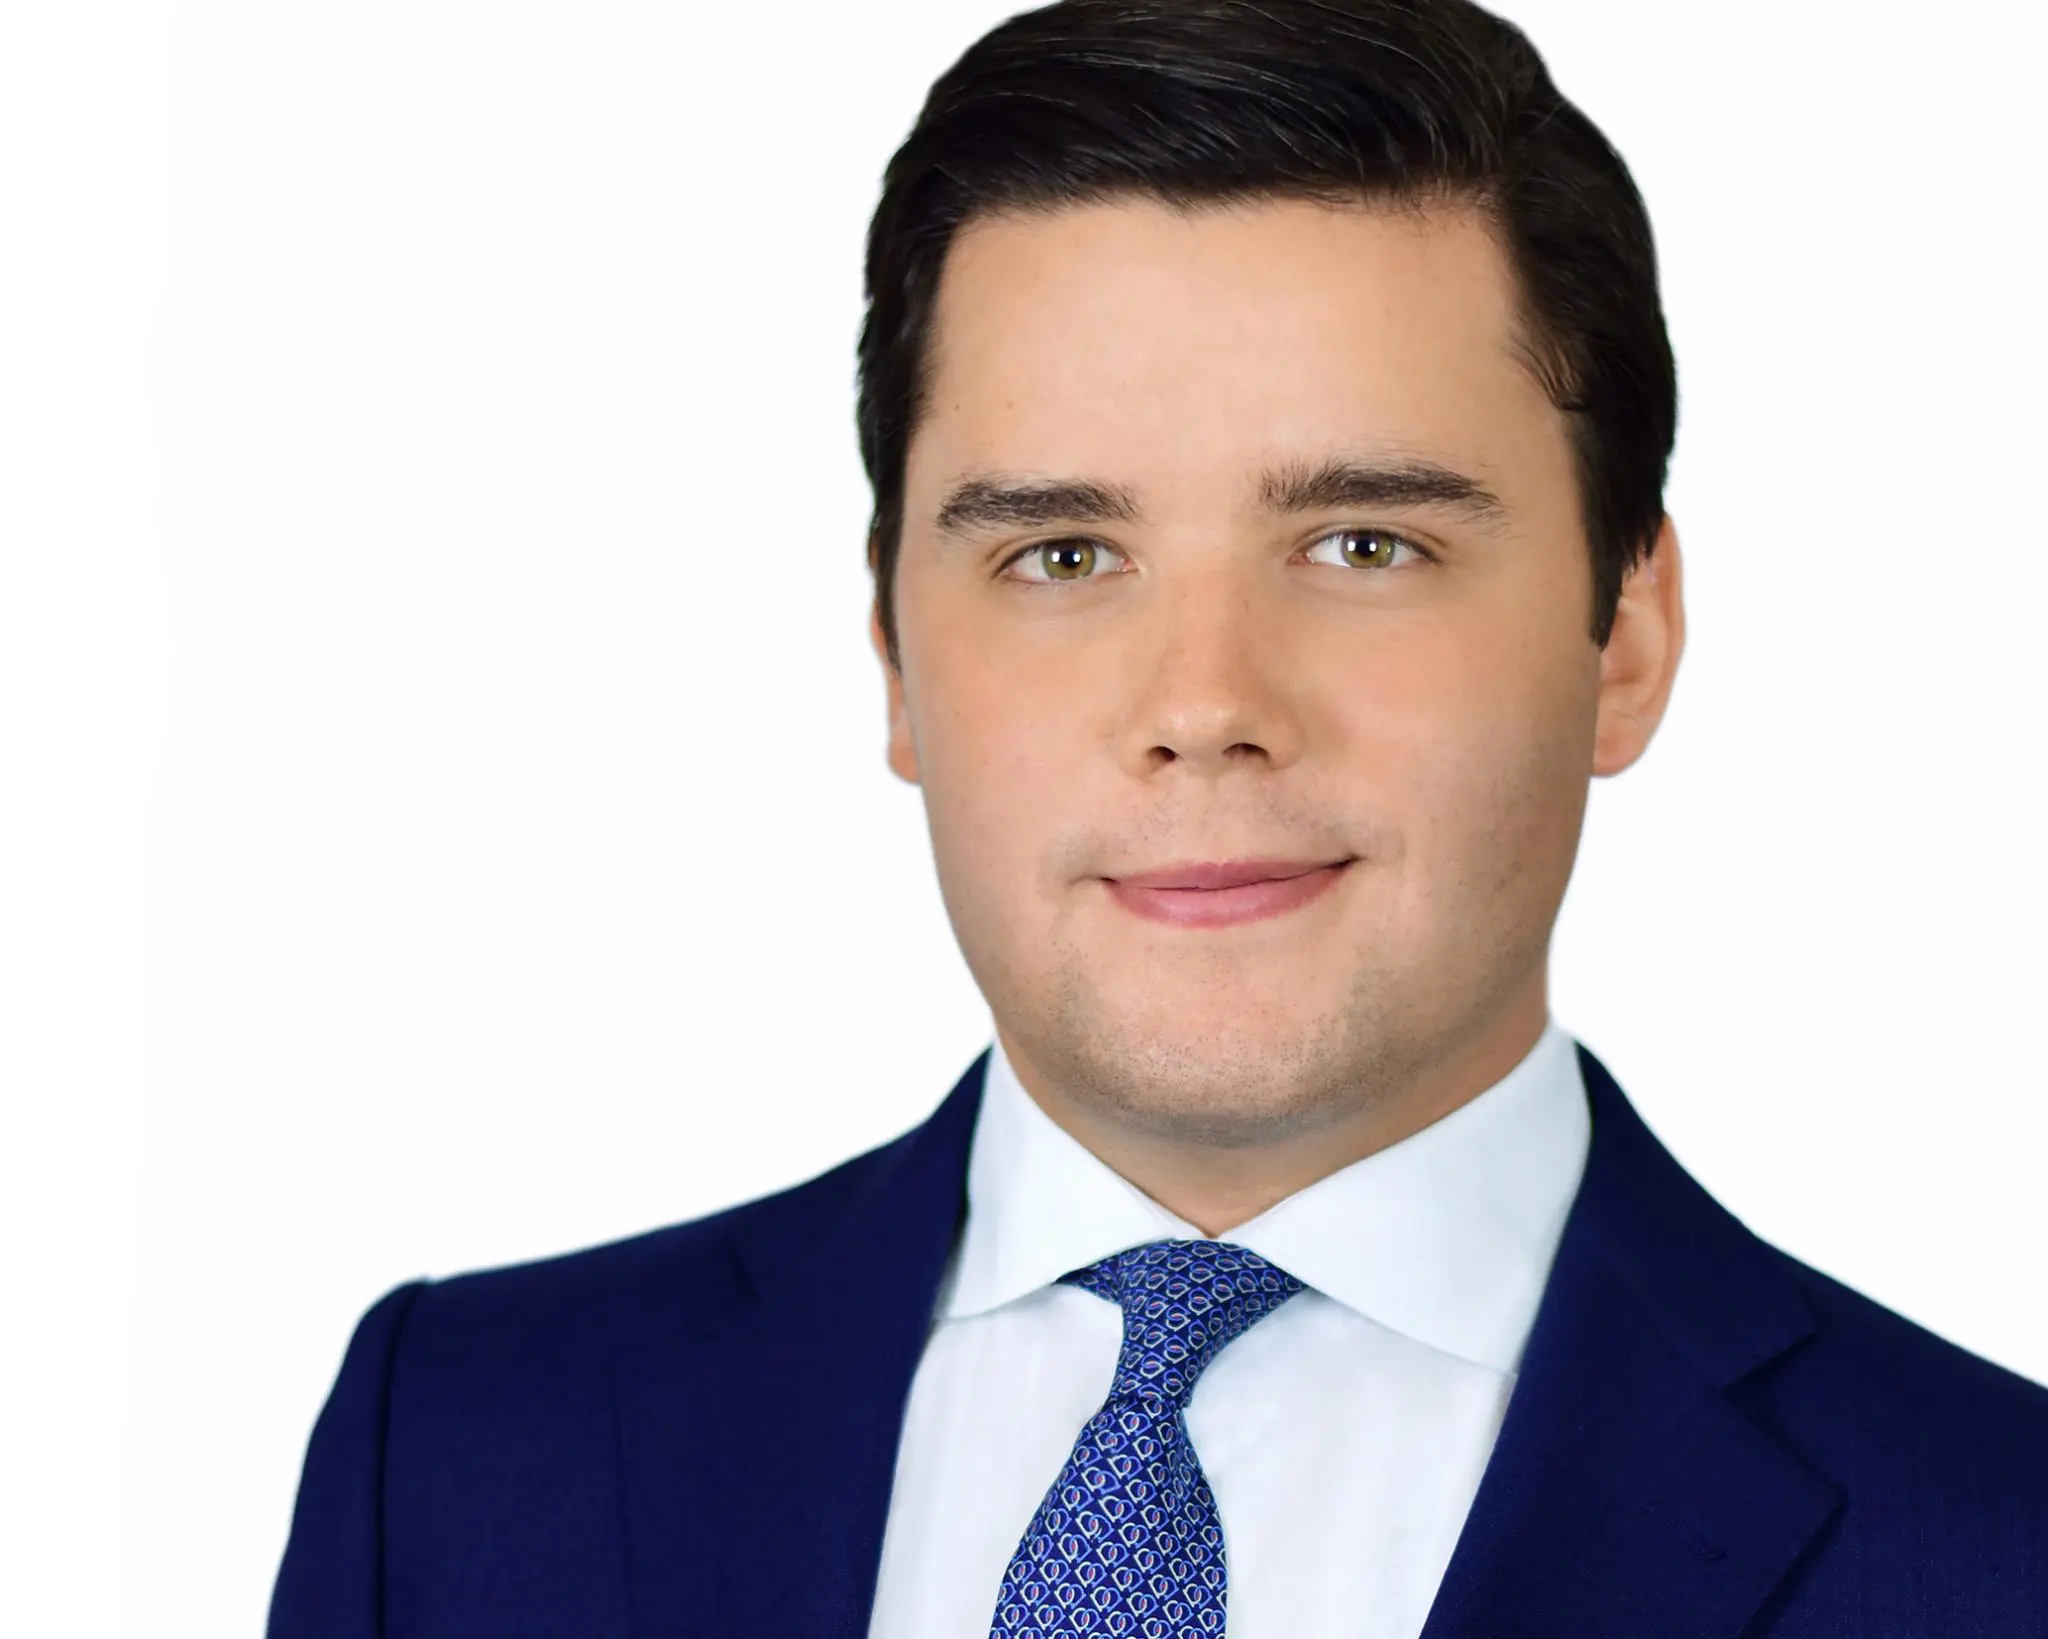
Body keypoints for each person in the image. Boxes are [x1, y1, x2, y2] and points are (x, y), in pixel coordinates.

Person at [266, 1, 2048, 1634]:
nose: (1204, 703)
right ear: (895, 656)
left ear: (1627, 637)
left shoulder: (1997, 1544)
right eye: (1062, 554)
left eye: (1365, 544)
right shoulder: (460, 1453)